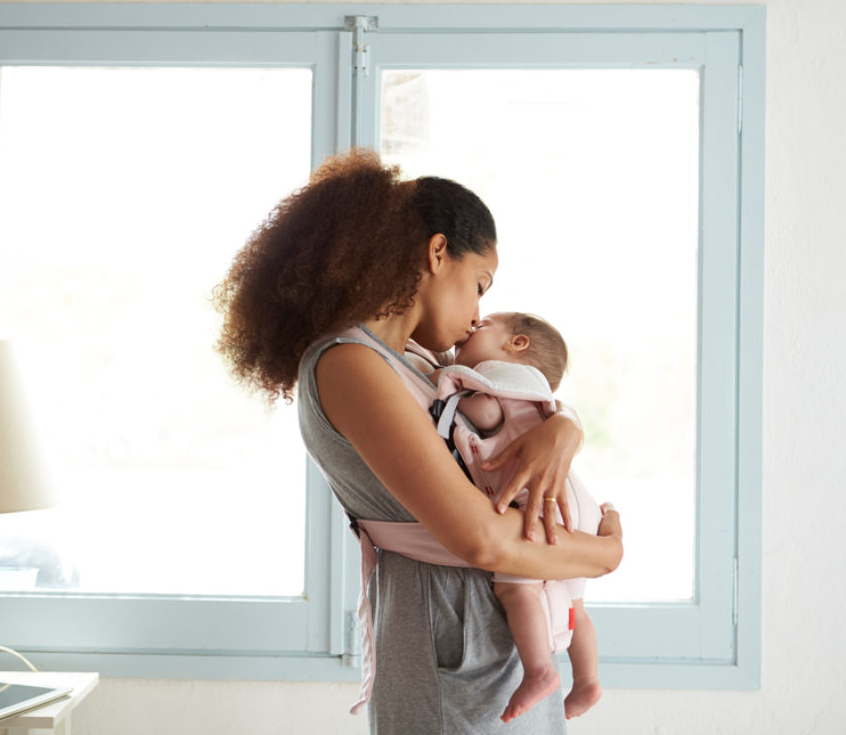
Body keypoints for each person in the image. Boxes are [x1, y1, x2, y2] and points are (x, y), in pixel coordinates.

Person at [214, 149, 622, 734]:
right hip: (453, 645)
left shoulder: (415, 362)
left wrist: (564, 424)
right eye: (480, 285)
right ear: (437, 253)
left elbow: (502, 406)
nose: (480, 314)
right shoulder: (349, 364)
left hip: (498, 640)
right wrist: (605, 554)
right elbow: (480, 536)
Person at [434, 311, 604, 722]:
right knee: (575, 605)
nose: (471, 325)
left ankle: (540, 671)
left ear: (517, 345)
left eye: (484, 325)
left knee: (517, 591)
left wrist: (458, 406)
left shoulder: (493, 380)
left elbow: (489, 413)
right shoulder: (537, 393)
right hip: (578, 504)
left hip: (539, 504)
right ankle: (587, 681)